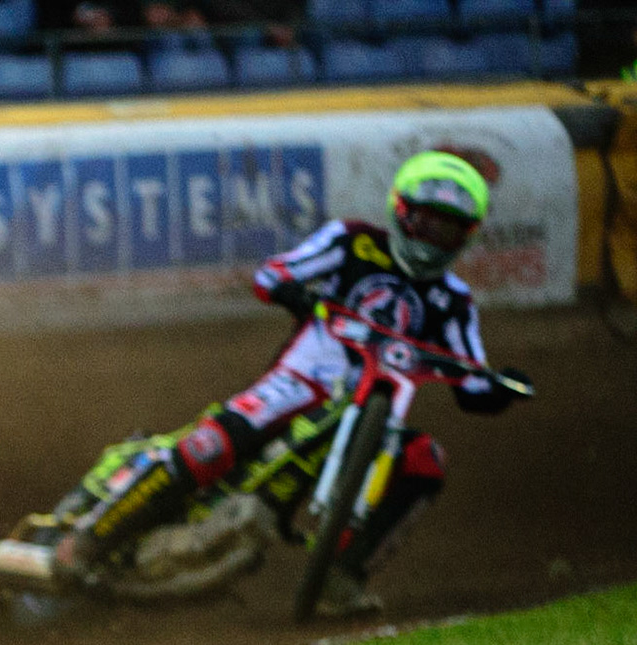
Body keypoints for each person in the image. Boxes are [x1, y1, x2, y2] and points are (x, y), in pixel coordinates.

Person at [51, 151, 531, 615]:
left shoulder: (454, 300)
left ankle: (343, 575)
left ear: (465, 236)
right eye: (426, 222)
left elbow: (472, 380)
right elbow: (274, 272)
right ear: (401, 212)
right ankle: (91, 539)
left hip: (376, 411)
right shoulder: (353, 242)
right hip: (301, 383)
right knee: (212, 445)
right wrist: (295, 294)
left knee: (425, 461)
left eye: (447, 228)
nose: (433, 237)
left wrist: (501, 386)